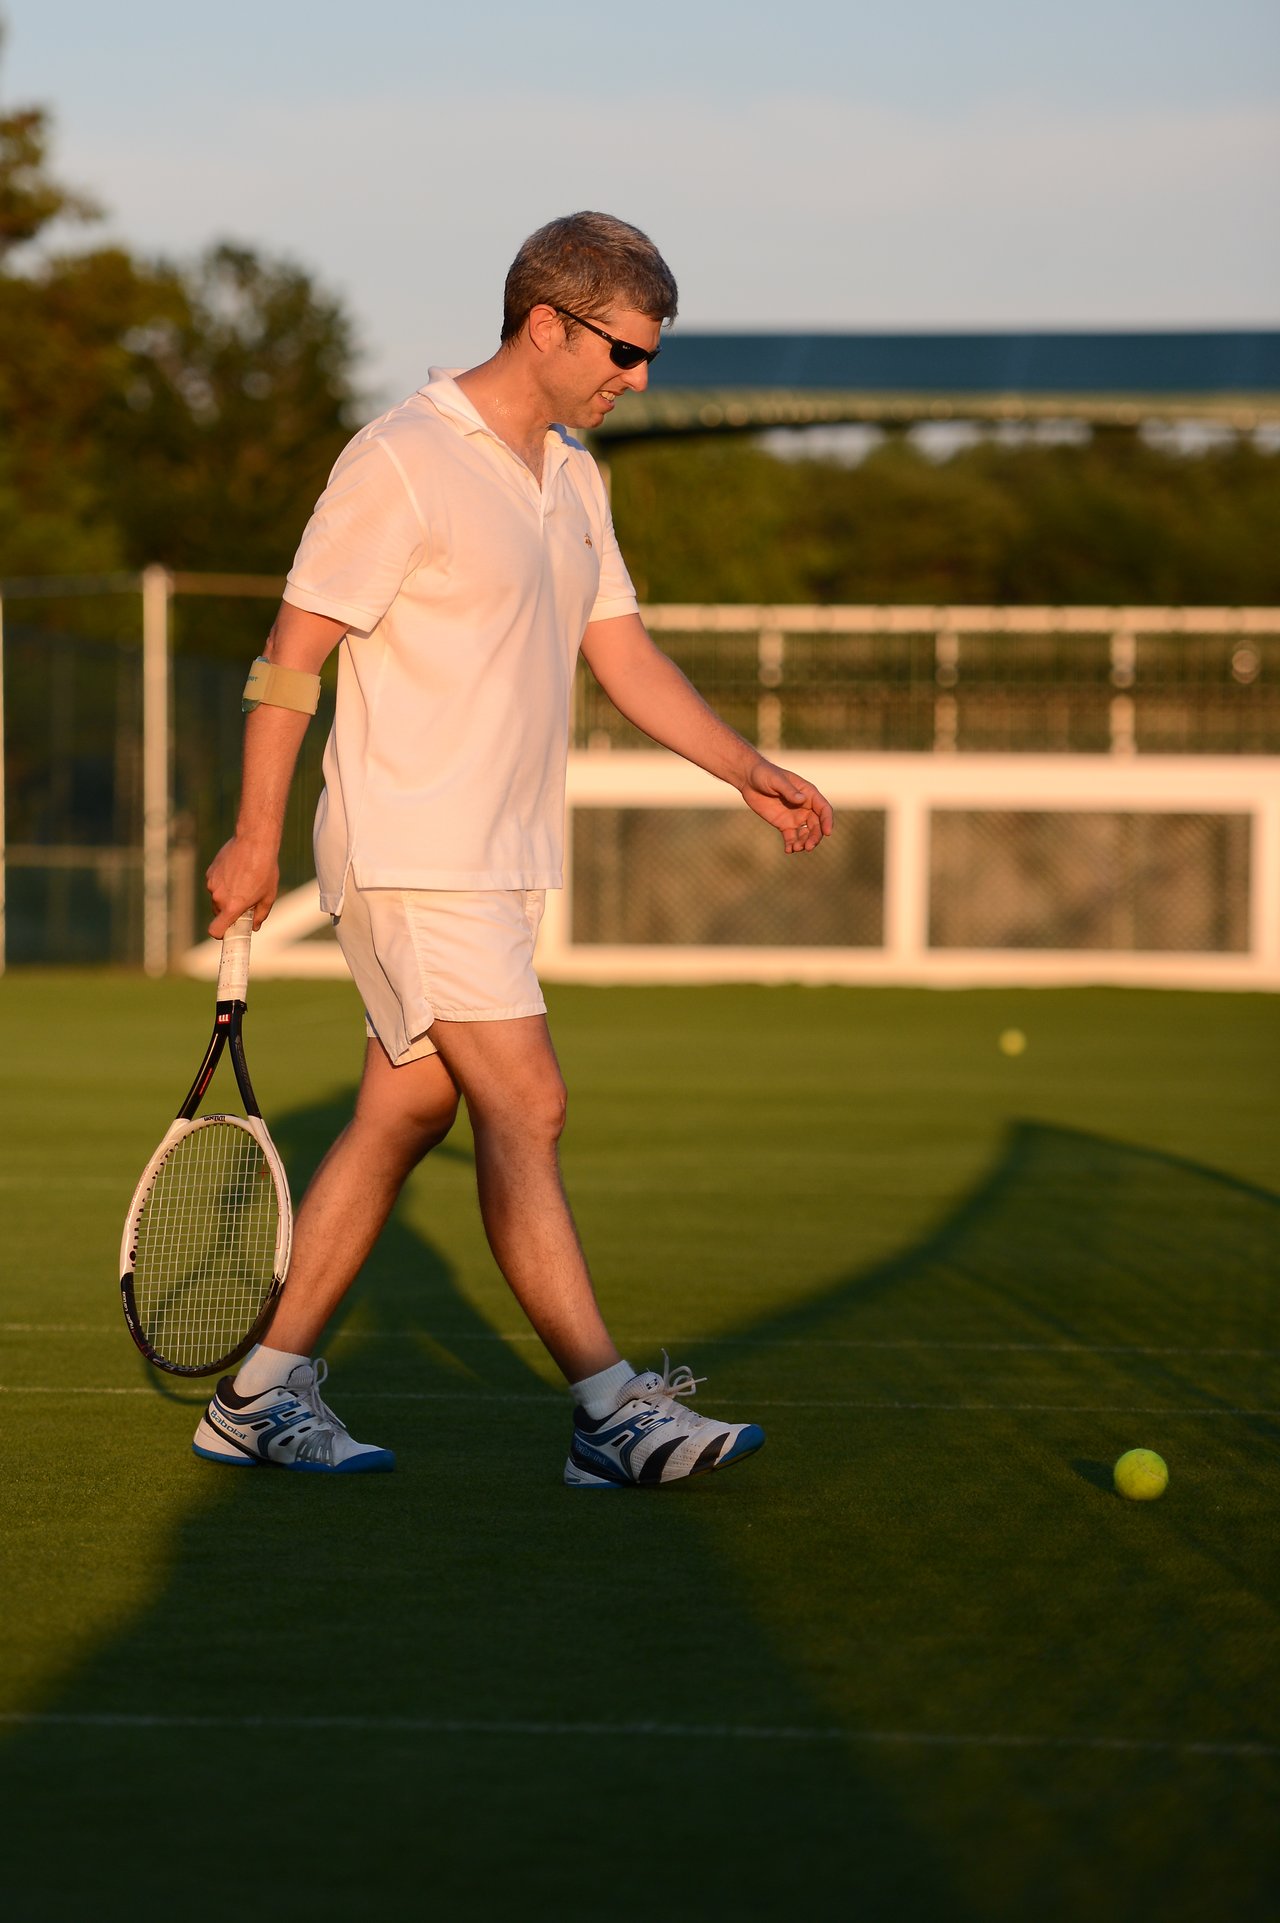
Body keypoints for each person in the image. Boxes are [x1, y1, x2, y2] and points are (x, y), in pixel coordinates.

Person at [196, 211, 833, 1485]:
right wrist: (255, 834)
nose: (635, 377)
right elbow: (288, 663)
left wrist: (743, 766)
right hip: (413, 848)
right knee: (528, 1106)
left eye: (648, 354)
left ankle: (257, 1396)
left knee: (402, 1115)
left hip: (499, 857)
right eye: (622, 351)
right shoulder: (400, 460)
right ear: (544, 322)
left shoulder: (572, 475)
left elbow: (621, 654)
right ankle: (611, 1414)